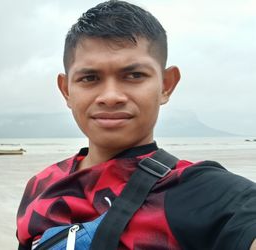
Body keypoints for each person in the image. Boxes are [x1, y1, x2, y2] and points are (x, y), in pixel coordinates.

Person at [16, 1, 256, 249]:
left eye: (134, 76)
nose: (110, 96)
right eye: (89, 78)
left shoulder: (208, 194)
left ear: (166, 85)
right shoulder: (41, 186)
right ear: (66, 90)